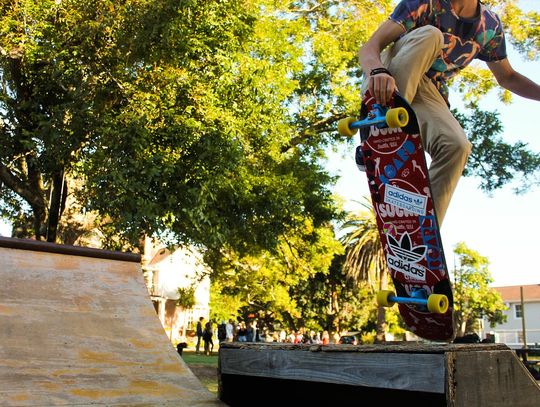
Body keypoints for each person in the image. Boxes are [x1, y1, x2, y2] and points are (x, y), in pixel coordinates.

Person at [358, 0, 540, 225]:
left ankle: (422, 230)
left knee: (456, 146)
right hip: (388, 76)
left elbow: (508, 77)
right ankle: (379, 135)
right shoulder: (425, 3)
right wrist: (377, 71)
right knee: (432, 36)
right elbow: (369, 47)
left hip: (426, 91)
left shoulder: (489, 25)